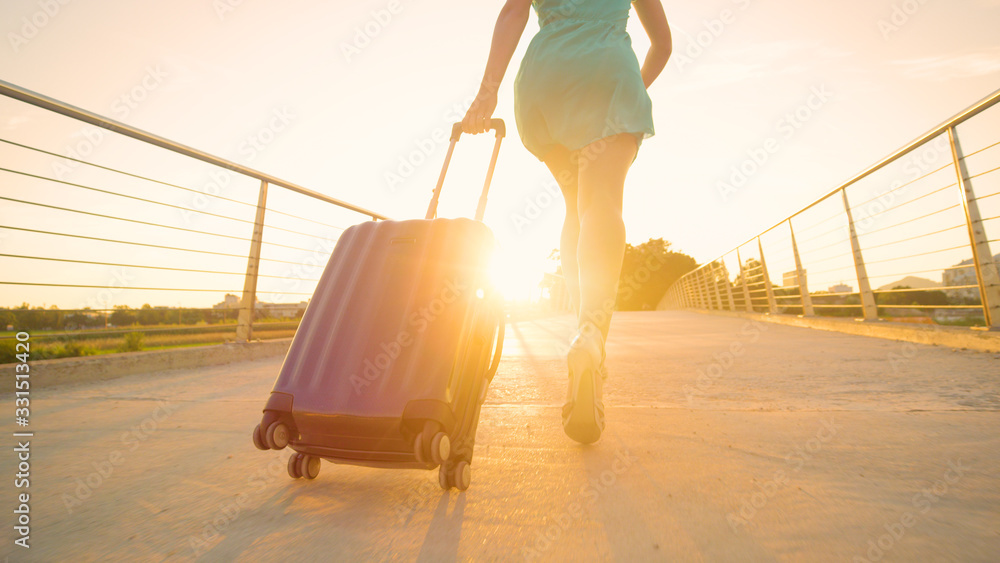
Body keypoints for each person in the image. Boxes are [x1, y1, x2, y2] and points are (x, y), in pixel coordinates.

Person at [462, 0, 671, 444]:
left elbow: (512, 12)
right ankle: (591, 334)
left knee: (576, 207)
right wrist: (633, 86)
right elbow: (663, 45)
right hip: (607, 71)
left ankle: (585, 331)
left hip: (545, 78)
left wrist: (487, 91)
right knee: (602, 204)